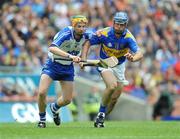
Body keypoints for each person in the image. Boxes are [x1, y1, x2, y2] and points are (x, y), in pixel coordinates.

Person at [81, 11, 143, 128]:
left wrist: (133, 58)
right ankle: (100, 114)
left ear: (125, 25)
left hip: (119, 66)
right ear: (113, 23)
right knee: (112, 85)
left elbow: (140, 53)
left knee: (114, 98)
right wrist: (83, 59)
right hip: (104, 63)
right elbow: (87, 43)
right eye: (117, 24)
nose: (119, 26)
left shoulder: (128, 38)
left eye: (122, 24)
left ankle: (101, 117)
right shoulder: (104, 33)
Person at [37, 15, 89, 128]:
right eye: (79, 26)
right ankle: (42, 119)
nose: (82, 28)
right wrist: (70, 56)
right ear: (74, 26)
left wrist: (82, 60)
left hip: (67, 68)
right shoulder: (66, 33)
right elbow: (52, 48)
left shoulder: (86, 36)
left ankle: (54, 108)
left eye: (84, 26)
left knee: (67, 100)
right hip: (53, 65)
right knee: (42, 92)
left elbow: (88, 44)